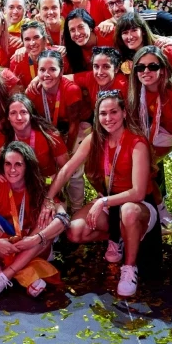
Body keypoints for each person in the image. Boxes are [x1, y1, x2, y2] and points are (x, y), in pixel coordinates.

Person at [48, 90, 156, 297]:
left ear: (124, 113)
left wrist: (103, 201)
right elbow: (68, 169)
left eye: (113, 112)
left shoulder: (137, 143)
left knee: (129, 211)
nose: (108, 118)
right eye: (103, 114)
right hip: (110, 204)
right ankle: (120, 237)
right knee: (75, 232)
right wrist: (48, 198)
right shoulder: (94, 139)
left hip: (137, 206)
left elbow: (138, 192)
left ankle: (130, 268)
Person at [0, 142, 70, 302]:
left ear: (27, 166)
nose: (12, 170)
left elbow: (63, 219)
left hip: (35, 246)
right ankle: (27, 274)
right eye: (8, 164)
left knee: (47, 218)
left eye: (18, 164)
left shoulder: (39, 186)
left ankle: (6, 275)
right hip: (9, 245)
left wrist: (36, 238)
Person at [128, 46, 172, 247]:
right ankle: (162, 213)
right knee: (141, 170)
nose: (146, 72)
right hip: (164, 132)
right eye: (140, 67)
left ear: (163, 69)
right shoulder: (137, 90)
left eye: (152, 66)